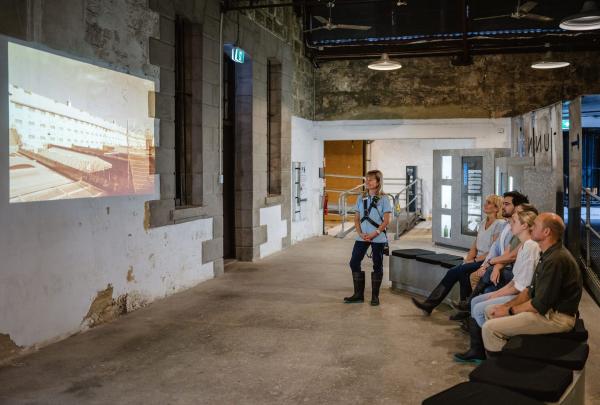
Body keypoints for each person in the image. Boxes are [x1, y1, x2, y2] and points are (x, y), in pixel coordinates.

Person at [481, 213, 583, 354]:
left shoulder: (556, 260)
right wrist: (505, 306)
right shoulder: (547, 254)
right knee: (490, 310)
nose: (531, 228)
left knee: (489, 328)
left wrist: (509, 311)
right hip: (547, 312)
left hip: (557, 319)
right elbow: (530, 291)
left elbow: (539, 305)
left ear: (546, 232)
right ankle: (510, 355)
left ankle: (502, 370)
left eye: (535, 226)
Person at [453, 209, 539, 363]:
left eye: (514, 222)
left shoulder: (531, 247)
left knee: (480, 307)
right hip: (516, 289)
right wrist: (496, 293)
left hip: (521, 296)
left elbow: (522, 287)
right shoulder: (524, 245)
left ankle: (487, 351)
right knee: (476, 301)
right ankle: (478, 349)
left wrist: (496, 295)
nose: (510, 224)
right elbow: (515, 280)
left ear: (525, 225)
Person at [411, 194, 505, 315]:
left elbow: (493, 250)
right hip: (477, 259)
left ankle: (433, 305)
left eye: (489, 203)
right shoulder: (482, 222)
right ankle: (459, 309)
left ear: (497, 208)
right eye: (486, 202)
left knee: (456, 271)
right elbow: (475, 244)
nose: (485, 204)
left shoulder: (499, 224)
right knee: (461, 273)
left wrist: (475, 260)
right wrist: (468, 259)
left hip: (486, 261)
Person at [344, 170, 392, 306]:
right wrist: (359, 233)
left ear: (378, 182)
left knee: (377, 265)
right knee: (354, 262)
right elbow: (357, 218)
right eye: (367, 179)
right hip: (362, 237)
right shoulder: (361, 198)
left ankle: (375, 297)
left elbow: (387, 220)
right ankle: (358, 294)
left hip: (377, 237)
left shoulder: (384, 199)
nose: (368, 182)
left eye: (371, 180)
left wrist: (374, 233)